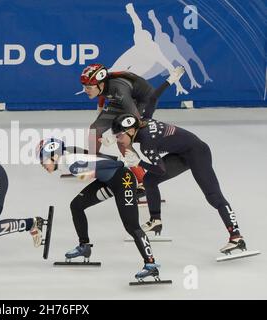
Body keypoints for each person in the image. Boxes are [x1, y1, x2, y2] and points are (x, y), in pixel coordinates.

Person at [110, 114, 247, 254]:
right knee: (149, 180)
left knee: (214, 196)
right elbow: (150, 102)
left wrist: (139, 163)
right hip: (181, 153)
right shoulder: (143, 122)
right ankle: (155, 220)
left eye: (119, 136)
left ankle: (236, 237)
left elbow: (161, 170)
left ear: (132, 131)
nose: (118, 140)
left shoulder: (147, 144)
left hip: (198, 153)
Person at [38, 138, 163, 280]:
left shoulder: (72, 163)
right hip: (108, 181)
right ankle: (84, 246)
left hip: (123, 180)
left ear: (54, 156)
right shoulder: (68, 158)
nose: (42, 164)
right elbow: (99, 157)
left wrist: (120, 163)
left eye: (43, 160)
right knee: (76, 205)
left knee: (131, 226)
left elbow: (108, 163)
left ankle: (150, 265)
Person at [80, 63, 185, 196]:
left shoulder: (118, 88)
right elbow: (103, 94)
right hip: (120, 100)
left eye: (89, 87)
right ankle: (92, 163)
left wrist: (115, 137)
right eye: (85, 87)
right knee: (95, 128)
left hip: (141, 102)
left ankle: (143, 183)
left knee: (123, 142)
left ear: (100, 84)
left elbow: (135, 120)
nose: (86, 90)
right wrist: (100, 108)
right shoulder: (104, 84)